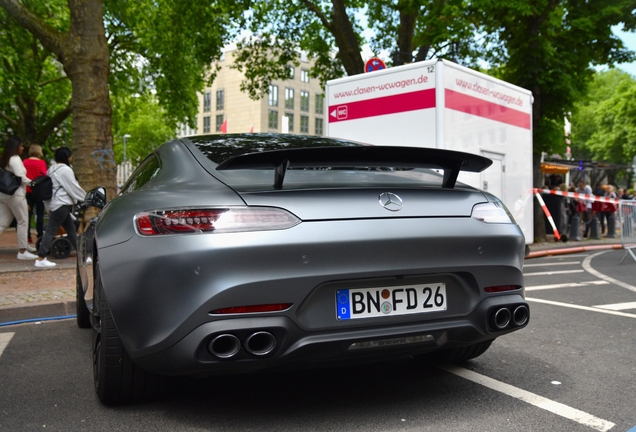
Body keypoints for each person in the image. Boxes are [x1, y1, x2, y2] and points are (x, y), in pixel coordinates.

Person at [35, 147, 86, 268]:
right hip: (62, 204)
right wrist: (85, 197)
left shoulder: (51, 169)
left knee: (71, 229)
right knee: (51, 230)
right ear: (68, 157)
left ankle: (82, 255)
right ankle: (41, 258)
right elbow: (73, 187)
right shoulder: (65, 170)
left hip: (54, 204)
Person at [0, 137, 39, 260]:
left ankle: (25, 246)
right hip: (16, 194)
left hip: (4, 194)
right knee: (22, 221)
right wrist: (33, 183)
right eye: (21, 146)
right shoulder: (15, 159)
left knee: (3, 222)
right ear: (16, 147)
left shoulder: (4, 159)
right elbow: (20, 177)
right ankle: (22, 251)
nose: (22, 148)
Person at [23, 144, 47, 242]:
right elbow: (44, 175)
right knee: (40, 214)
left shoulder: (25, 162)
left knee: (27, 214)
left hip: (28, 190)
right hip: (39, 191)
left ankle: (27, 236)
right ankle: (40, 235)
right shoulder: (41, 163)